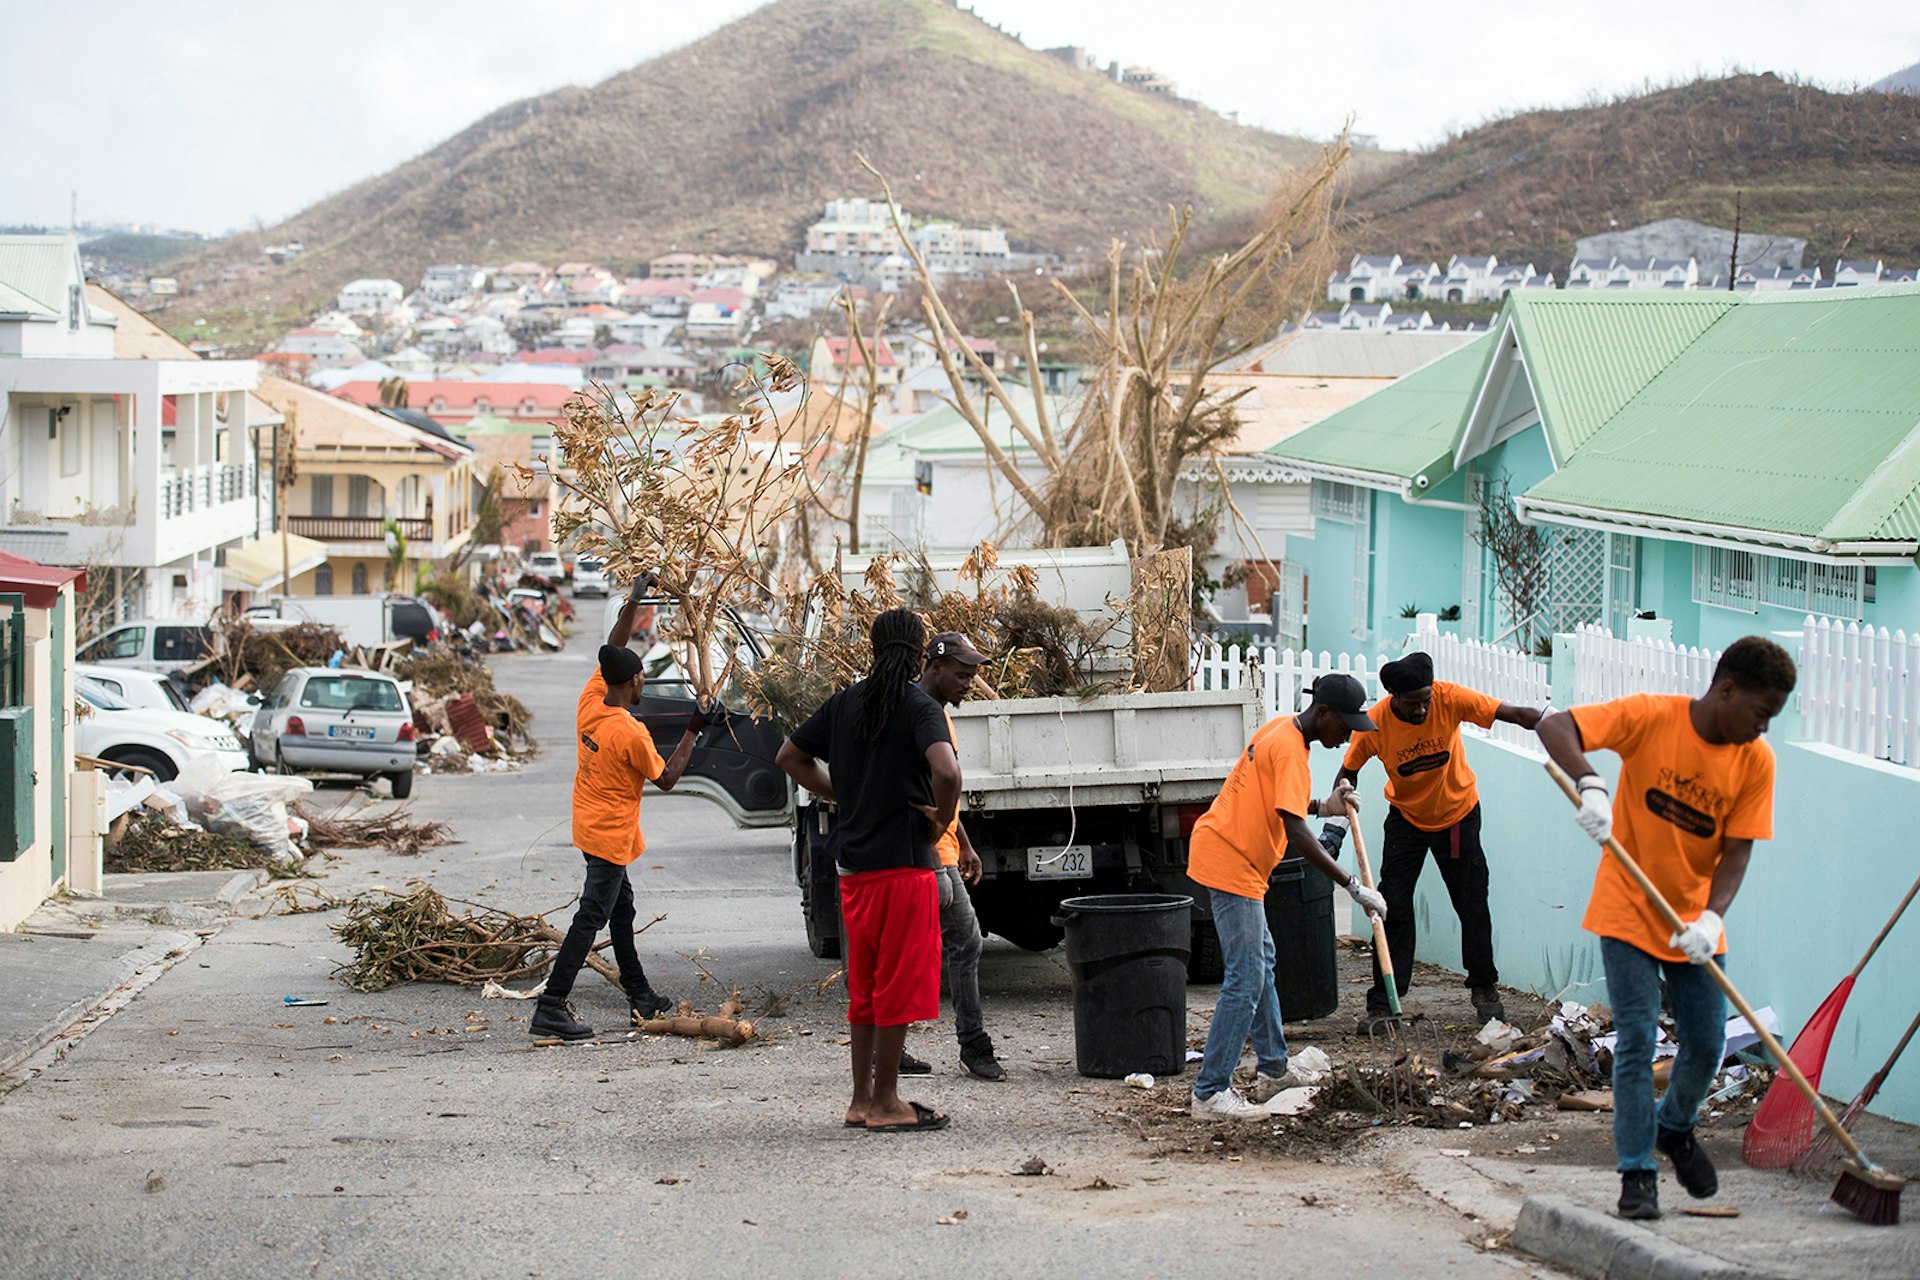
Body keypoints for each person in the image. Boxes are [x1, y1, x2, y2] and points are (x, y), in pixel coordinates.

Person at [1537, 636, 1795, 1222]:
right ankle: (1637, 1173)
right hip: (1627, 910)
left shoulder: (1756, 761)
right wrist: (1591, 781)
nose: (1763, 730)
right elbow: (1556, 726)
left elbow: (1737, 852)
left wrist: (1712, 917)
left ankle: (1675, 1128)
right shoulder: (1653, 717)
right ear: (1727, 689)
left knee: (1705, 1043)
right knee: (1636, 1040)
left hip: (1695, 924)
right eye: (1760, 715)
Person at [776, 608, 959, 1133]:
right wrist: (942, 819)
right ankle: (887, 1102)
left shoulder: (844, 702)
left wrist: (844, 792)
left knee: (867, 987)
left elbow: (790, 756)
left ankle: (860, 1100)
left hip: (854, 872)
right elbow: (947, 770)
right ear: (920, 653)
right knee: (898, 987)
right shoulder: (919, 705)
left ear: (873, 649)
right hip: (903, 868)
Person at [1187, 674, 1388, 1120]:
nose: (1348, 736)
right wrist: (1353, 886)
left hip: (1234, 856)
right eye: (1345, 725)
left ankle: (1274, 1070)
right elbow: (1297, 834)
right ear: (1323, 713)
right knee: (1245, 977)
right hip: (1231, 860)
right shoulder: (1291, 749)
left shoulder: (1281, 730)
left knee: (1262, 963)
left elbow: (1286, 805)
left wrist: (1325, 807)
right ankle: (1210, 1091)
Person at [530, 587, 709, 1042]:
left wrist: (635, 598)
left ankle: (640, 997)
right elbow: (667, 778)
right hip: (610, 837)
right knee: (591, 916)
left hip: (590, 827)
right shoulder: (630, 732)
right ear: (632, 683)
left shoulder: (591, 701)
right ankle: (551, 1006)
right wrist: (693, 728)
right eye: (643, 677)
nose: (644, 682)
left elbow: (616, 643)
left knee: (621, 910)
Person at [1335, 651, 1544, 1032]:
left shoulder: (1449, 698)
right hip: (1406, 822)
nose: (1421, 711)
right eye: (1412, 704)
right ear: (1393, 697)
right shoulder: (1376, 724)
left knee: (1472, 902)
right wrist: (1343, 802)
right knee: (1392, 906)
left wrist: (1549, 722)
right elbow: (1347, 772)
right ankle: (1385, 1003)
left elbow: (1507, 712)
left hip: (1458, 817)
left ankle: (1484, 987)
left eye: (1425, 702)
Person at [911, 630, 1005, 1082]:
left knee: (960, 942)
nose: (969, 683)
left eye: (973, 675)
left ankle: (969, 1044)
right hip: (922, 853)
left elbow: (946, 789)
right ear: (935, 668)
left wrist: (963, 841)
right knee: (936, 946)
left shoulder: (939, 717)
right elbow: (924, 786)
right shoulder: (915, 711)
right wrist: (934, 842)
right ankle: (971, 1045)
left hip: (943, 849)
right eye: (963, 674)